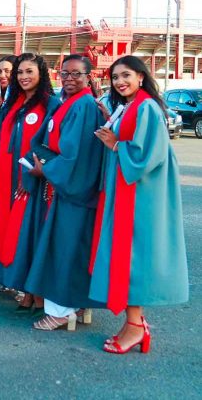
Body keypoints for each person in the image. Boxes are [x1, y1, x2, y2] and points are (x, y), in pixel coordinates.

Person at [91, 55, 188, 354]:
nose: (120, 81)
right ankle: (134, 323)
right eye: (116, 77)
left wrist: (116, 144)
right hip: (130, 191)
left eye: (126, 75)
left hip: (140, 196)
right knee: (128, 257)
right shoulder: (131, 106)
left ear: (141, 77)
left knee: (133, 258)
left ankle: (135, 326)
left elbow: (148, 155)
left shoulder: (145, 107)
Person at [23, 55, 105, 330]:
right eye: (65, 74)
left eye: (76, 74)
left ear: (88, 77)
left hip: (73, 189)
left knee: (65, 248)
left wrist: (45, 170)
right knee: (73, 247)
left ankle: (60, 311)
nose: (69, 79)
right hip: (67, 186)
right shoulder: (71, 103)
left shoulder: (83, 105)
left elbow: (74, 155)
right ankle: (77, 306)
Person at [0, 53, 60, 316]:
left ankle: (37, 294)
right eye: (20, 72)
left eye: (30, 71)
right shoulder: (14, 104)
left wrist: (31, 175)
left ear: (41, 74)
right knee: (14, 236)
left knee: (30, 236)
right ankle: (25, 291)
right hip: (9, 181)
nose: (24, 77)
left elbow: (51, 144)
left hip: (33, 183)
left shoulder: (50, 104)